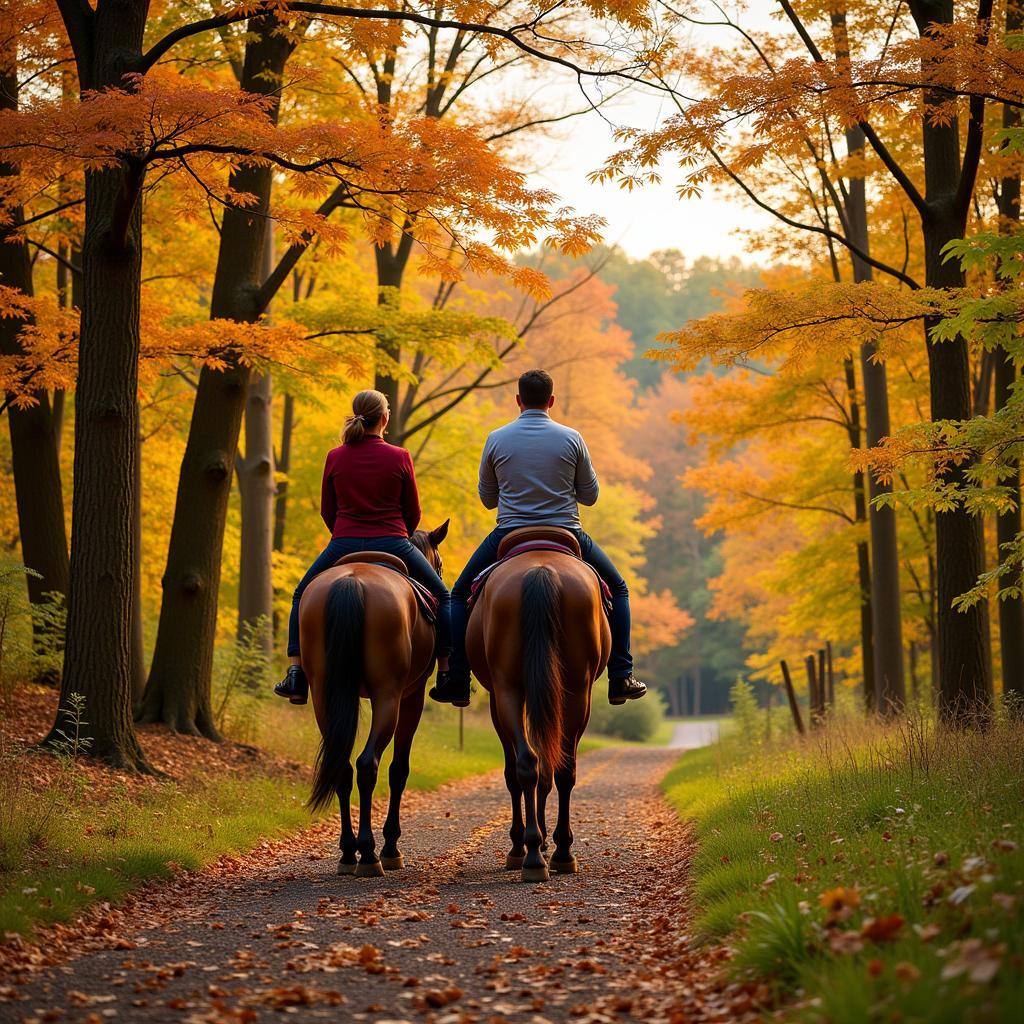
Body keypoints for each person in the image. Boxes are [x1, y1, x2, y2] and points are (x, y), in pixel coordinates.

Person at [430, 369, 647, 708]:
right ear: (552, 400)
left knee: (458, 593)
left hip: (509, 532)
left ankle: (458, 678)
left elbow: (488, 500)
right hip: (566, 531)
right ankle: (621, 675)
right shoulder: (572, 438)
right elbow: (590, 496)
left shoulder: (496, 438)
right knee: (618, 588)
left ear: (518, 400)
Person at [275, 389, 453, 704]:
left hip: (342, 542)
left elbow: (326, 509)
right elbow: (413, 512)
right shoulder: (400, 456)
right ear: (384, 419)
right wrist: (401, 534)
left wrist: (344, 536)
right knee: (443, 596)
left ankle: (296, 674)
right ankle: (446, 671)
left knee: (301, 594)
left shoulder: (335, 456)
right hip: (395, 542)